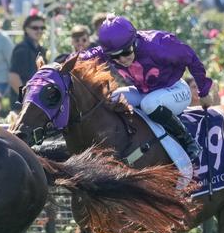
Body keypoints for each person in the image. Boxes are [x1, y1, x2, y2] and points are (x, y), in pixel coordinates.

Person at [81, 14, 214, 161]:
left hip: (176, 90)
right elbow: (86, 56)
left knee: (148, 104)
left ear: (134, 41)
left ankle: (188, 141)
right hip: (145, 92)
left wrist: (204, 92)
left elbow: (192, 58)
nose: (122, 60)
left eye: (126, 52)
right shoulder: (112, 49)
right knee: (112, 99)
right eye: (115, 57)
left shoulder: (159, 44)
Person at [9, 14, 47, 105]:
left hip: (36, 102)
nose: (39, 31)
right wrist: (25, 98)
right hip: (22, 103)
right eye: (35, 28)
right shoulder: (21, 49)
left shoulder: (41, 50)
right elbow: (13, 77)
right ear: (26, 29)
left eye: (42, 28)